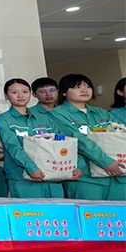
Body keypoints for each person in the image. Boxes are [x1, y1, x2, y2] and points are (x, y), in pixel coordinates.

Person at [0, 78, 78, 198]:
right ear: (6, 95)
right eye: (14, 92)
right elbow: (12, 146)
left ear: (30, 94)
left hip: (53, 174)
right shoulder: (4, 119)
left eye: (25, 92)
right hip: (22, 176)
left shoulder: (44, 118)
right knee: (30, 209)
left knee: (57, 209)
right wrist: (31, 168)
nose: (20, 96)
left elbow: (64, 142)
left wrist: (76, 166)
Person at [49, 73, 125, 201]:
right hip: (86, 177)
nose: (84, 90)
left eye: (88, 86)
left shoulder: (101, 112)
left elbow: (121, 136)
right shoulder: (57, 114)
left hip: (117, 175)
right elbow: (79, 140)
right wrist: (106, 161)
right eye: (77, 87)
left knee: (119, 213)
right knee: (90, 212)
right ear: (63, 92)